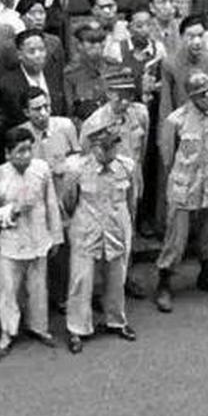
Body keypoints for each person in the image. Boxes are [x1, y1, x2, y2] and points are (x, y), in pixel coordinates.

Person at [151, 70, 208, 311]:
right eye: (201, 93)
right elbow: (167, 158)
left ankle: (206, 276)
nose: (207, 96)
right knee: (176, 240)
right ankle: (164, 284)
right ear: (191, 96)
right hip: (184, 184)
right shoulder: (176, 120)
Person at [57, 121, 138, 353]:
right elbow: (68, 200)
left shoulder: (127, 166)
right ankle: (77, 328)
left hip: (116, 225)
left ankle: (116, 320)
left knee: (117, 275)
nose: (110, 153)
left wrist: (126, 224)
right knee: (81, 279)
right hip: (87, 225)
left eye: (113, 147)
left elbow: (132, 198)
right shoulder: (77, 168)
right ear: (93, 147)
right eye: (104, 148)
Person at [0, 123, 63, 355]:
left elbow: (52, 204)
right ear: (8, 153)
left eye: (29, 149)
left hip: (39, 239)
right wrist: (14, 210)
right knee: (8, 290)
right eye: (20, 151)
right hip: (12, 243)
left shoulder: (41, 169)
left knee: (38, 288)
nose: (26, 155)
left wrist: (56, 237)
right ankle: (8, 332)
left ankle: (39, 328)